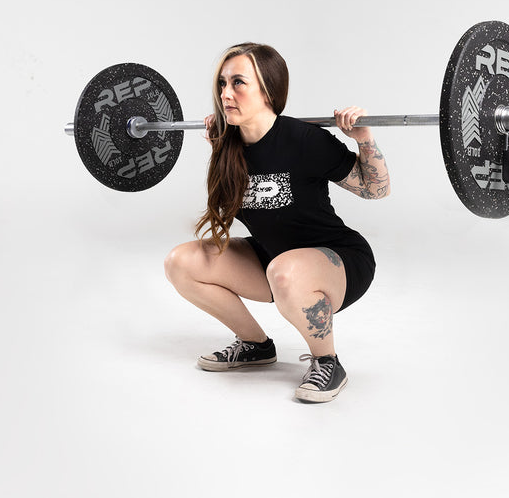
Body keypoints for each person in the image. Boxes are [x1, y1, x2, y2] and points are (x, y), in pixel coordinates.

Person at [163, 43, 390, 403]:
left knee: (284, 271)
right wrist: (217, 148)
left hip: (339, 260)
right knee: (180, 262)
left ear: (268, 89)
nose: (225, 94)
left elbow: (375, 190)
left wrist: (364, 140)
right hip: (272, 260)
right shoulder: (230, 145)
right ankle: (255, 345)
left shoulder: (305, 140)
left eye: (239, 83)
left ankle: (327, 360)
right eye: (222, 84)